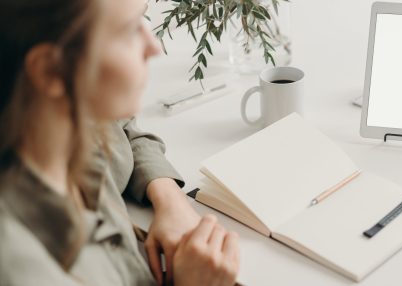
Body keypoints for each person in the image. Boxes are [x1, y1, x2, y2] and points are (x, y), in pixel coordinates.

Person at [0, 0, 240, 285]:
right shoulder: (24, 268)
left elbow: (121, 126)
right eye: (129, 30)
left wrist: (169, 199)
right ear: (51, 71)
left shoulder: (66, 120)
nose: (155, 47)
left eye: (145, 19)